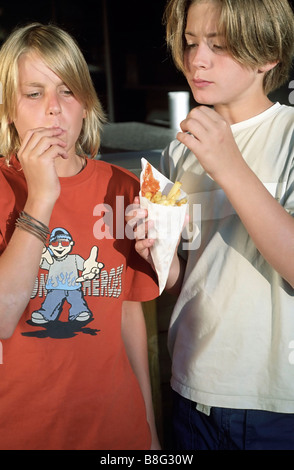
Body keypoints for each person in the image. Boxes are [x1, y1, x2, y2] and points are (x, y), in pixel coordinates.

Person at [131, 0, 294, 450]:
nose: (197, 59)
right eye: (190, 42)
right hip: (191, 389)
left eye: (218, 45)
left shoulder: (289, 135)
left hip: (276, 403)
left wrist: (229, 165)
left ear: (267, 55)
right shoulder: (178, 151)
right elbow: (187, 278)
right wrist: (156, 253)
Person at [0, 23, 160, 450]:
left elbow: (129, 316)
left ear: (86, 104)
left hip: (117, 431)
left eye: (68, 91)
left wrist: (148, 424)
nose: (54, 109)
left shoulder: (124, 188)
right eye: (34, 94)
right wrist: (41, 197)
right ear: (8, 110)